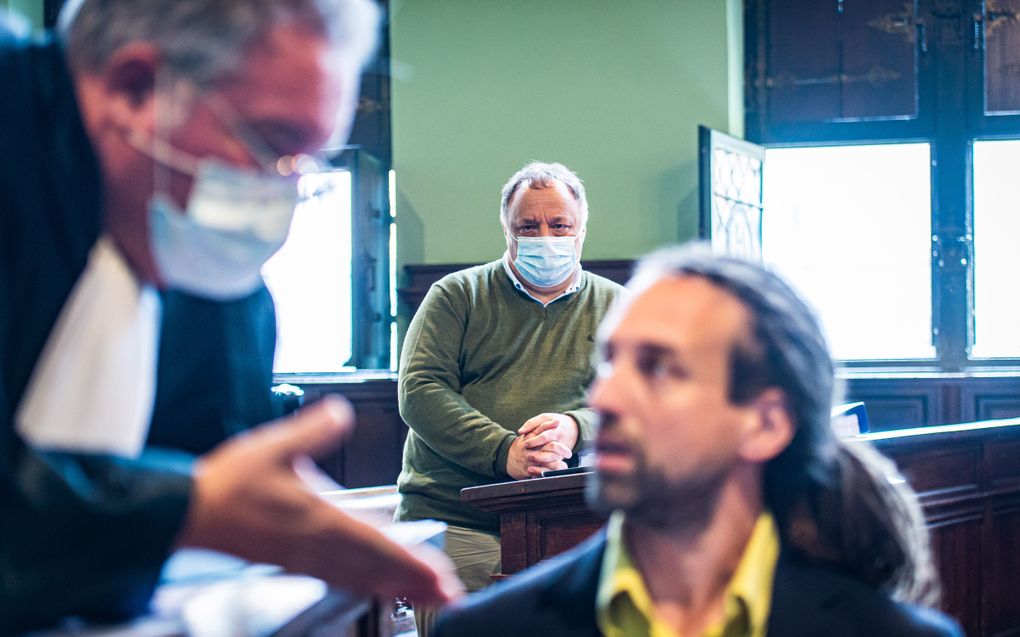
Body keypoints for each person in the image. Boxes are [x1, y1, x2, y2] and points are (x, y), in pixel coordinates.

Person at [0, 0, 459, 631]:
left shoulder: (207, 269)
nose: (286, 193)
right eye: (273, 144)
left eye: (310, 163)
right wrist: (184, 510)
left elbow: (219, 459)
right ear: (135, 88)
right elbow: (194, 495)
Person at [434, 244, 962, 637]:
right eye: (610, 362)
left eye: (658, 368)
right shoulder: (488, 631)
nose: (606, 397)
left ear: (766, 423)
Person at [396, 161, 624, 634]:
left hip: (571, 519)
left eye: (559, 225)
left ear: (581, 230)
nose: (546, 237)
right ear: (507, 231)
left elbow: (642, 401)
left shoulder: (620, 306)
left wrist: (577, 427)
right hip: (457, 517)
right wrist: (505, 452)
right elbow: (419, 390)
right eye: (528, 226)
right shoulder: (457, 295)